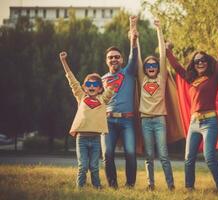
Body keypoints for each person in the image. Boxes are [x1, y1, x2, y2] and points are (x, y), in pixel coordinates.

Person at [166, 26, 218, 191]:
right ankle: (189, 188)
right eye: (197, 61)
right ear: (194, 64)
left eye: (203, 60)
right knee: (188, 158)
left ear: (207, 63)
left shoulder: (214, 77)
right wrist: (167, 51)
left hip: (210, 122)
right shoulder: (191, 79)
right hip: (194, 123)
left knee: (209, 157)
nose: (200, 63)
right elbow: (177, 67)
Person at [59, 51, 114, 189]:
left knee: (94, 166)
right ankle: (80, 189)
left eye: (95, 84)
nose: (91, 87)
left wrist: (112, 85)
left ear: (100, 88)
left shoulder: (102, 99)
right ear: (84, 87)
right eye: (88, 84)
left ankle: (97, 188)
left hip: (96, 140)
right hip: (82, 139)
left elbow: (112, 87)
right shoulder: (81, 96)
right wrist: (64, 61)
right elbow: (71, 79)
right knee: (83, 166)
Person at [100, 16, 139, 189]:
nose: (114, 59)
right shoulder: (101, 79)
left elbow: (134, 54)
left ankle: (130, 185)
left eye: (117, 57)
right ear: (107, 61)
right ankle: (113, 185)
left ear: (122, 60)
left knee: (130, 153)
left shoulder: (129, 72)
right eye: (110, 57)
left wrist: (133, 35)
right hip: (107, 121)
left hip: (127, 121)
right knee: (107, 153)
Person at [137, 19, 175, 191]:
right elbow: (136, 56)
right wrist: (134, 36)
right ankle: (150, 184)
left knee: (164, 155)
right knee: (149, 155)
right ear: (144, 69)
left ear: (158, 68)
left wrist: (159, 29)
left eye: (154, 65)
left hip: (159, 120)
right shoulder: (142, 79)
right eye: (148, 65)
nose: (151, 67)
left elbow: (162, 55)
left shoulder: (162, 78)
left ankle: (170, 185)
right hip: (145, 120)